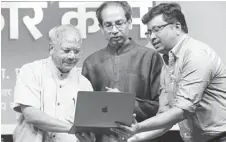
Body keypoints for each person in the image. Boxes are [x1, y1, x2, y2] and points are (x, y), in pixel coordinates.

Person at [113, 2, 226, 142]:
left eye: (157, 29)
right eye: (149, 32)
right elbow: (166, 115)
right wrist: (134, 138)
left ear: (177, 27)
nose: (152, 37)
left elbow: (182, 110)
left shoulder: (197, 55)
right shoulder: (167, 62)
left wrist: (138, 127)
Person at [82, 1, 163, 142]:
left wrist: (125, 102)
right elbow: (84, 110)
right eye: (108, 25)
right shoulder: (91, 63)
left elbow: (161, 106)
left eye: (119, 23)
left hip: (143, 137)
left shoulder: (150, 57)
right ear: (101, 28)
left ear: (129, 23)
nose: (114, 30)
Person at [13, 24, 96, 142]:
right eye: (66, 51)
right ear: (51, 48)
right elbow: (31, 114)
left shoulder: (84, 83)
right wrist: (71, 128)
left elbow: (87, 124)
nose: (72, 56)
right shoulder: (31, 71)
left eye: (76, 51)